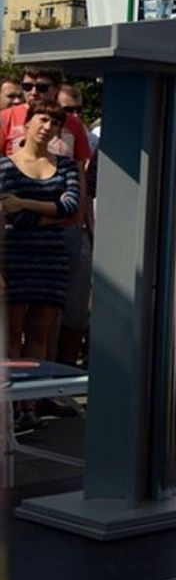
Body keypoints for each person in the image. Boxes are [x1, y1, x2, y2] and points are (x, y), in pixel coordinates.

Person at [1, 102, 82, 380]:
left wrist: (23, 202)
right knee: (11, 334)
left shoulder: (66, 165)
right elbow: (12, 216)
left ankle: (30, 403)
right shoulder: (5, 166)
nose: (47, 127)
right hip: (14, 258)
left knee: (40, 332)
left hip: (51, 261)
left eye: (55, 123)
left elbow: (70, 206)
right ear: (28, 122)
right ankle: (12, 402)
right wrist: (50, 210)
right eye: (43, 119)